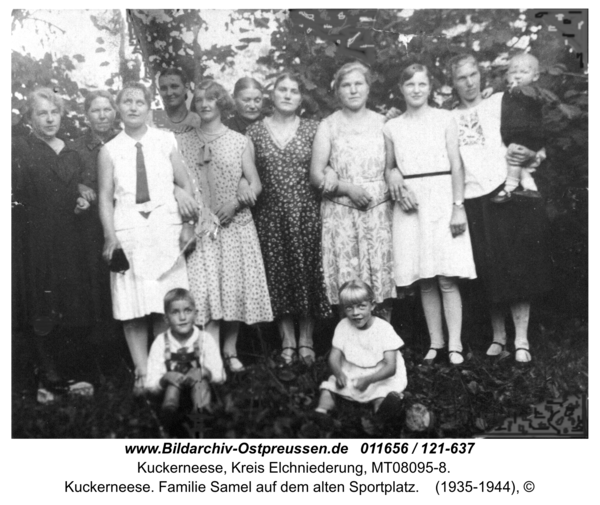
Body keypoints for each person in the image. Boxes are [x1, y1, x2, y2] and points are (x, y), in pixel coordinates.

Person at [449, 54, 552, 363]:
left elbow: (529, 133)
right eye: (461, 78)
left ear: (480, 76)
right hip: (472, 195)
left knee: (516, 264)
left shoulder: (498, 101)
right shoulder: (449, 117)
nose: (468, 82)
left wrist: (536, 153)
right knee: (487, 267)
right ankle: (499, 337)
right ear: (453, 84)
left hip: (505, 190)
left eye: (472, 75)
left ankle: (521, 339)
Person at [98, 82, 195, 393]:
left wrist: (188, 224)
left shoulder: (166, 141)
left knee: (163, 303)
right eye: (127, 102)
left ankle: (164, 368)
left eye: (139, 101)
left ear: (149, 105)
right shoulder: (109, 150)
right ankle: (142, 372)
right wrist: (110, 236)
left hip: (164, 230)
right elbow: (104, 197)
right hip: (130, 232)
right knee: (133, 306)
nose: (134, 107)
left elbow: (185, 183)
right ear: (119, 109)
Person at [176, 80, 273, 373]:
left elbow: (255, 183)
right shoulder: (182, 141)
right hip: (202, 225)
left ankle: (230, 350)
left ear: (221, 103)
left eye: (212, 100)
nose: (206, 105)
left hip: (234, 224)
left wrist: (238, 202)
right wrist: (181, 194)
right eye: (201, 100)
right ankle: (209, 353)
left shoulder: (239, 140)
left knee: (232, 288)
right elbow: (173, 179)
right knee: (206, 290)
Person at [384, 64, 476, 366]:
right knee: (425, 278)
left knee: (447, 277)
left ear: (430, 88)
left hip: (442, 198)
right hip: (411, 203)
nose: (416, 90)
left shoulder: (445, 118)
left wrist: (458, 205)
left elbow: (457, 164)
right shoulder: (392, 126)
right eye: (409, 84)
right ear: (401, 89)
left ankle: (455, 344)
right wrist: (395, 177)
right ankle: (435, 343)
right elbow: (389, 166)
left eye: (422, 84)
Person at [246, 72, 331, 365]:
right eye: (282, 90)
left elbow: (328, 164)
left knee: (308, 272)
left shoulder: (314, 128)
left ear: (300, 98)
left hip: (306, 213)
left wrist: (331, 173)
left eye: (294, 91)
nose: (287, 95)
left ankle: (306, 339)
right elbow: (243, 171)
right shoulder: (254, 132)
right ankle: (287, 340)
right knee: (277, 276)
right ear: (272, 94)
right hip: (269, 215)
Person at [12, 87, 93, 388]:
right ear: (30, 118)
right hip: (34, 239)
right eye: (41, 113)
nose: (49, 119)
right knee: (41, 302)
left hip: (70, 238)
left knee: (69, 301)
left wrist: (85, 197)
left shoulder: (71, 152)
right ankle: (47, 372)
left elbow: (80, 187)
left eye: (54, 112)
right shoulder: (19, 149)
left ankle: (69, 368)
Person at [310, 61, 396, 317]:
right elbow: (316, 175)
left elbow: (395, 166)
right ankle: (349, 345)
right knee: (347, 277)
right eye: (346, 85)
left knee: (380, 274)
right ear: (338, 91)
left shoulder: (385, 123)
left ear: (368, 88)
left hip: (378, 214)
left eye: (359, 84)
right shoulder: (328, 125)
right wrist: (348, 188)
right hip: (342, 215)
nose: (353, 90)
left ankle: (383, 342)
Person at [315, 280, 407, 414]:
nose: (355, 313)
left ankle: (383, 414)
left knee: (381, 394)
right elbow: (334, 357)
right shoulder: (343, 325)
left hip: (379, 376)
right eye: (349, 308)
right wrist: (339, 373)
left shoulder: (383, 329)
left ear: (372, 305)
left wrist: (369, 380)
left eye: (361, 306)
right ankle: (321, 412)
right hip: (352, 372)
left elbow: (391, 367)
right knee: (328, 390)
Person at [71, 90, 119, 328]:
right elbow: (63, 183)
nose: (102, 115)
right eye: (95, 110)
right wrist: (78, 186)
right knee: (94, 284)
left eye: (107, 109)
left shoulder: (125, 141)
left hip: (121, 220)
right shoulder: (75, 148)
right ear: (86, 115)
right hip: (89, 227)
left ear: (115, 111)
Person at [145, 289, 225, 416]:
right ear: (166, 318)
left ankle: (202, 412)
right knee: (172, 390)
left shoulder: (204, 339)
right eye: (175, 312)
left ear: (196, 314)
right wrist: (165, 378)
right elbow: (150, 384)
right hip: (173, 386)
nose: (182, 317)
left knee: (200, 384)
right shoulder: (161, 342)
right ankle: (169, 415)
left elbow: (219, 376)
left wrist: (203, 372)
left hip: (199, 384)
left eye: (187, 311)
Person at [492, 52, 545, 203]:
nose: (517, 76)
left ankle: (510, 188)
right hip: (513, 135)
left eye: (523, 72)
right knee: (513, 159)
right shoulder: (508, 93)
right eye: (513, 72)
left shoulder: (533, 94)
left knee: (514, 158)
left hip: (527, 135)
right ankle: (530, 187)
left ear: (535, 76)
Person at [157, 68, 201, 132]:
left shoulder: (197, 120)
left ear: (186, 87)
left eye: (174, 86)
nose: (169, 93)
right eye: (163, 88)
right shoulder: (151, 119)